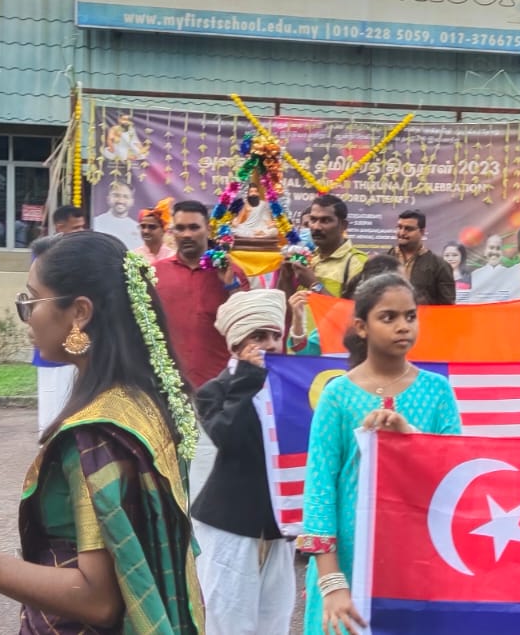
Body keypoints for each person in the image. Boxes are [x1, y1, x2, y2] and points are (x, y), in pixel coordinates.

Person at [0, 232, 203, 633]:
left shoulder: (98, 433)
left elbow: (97, 597)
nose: (27, 316)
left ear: (80, 312)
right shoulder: (142, 400)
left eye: (31, 301)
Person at [297, 274, 462, 635]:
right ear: (362, 327)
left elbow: (454, 476)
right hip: (348, 562)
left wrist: (411, 438)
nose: (403, 326)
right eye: (388, 317)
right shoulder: (338, 395)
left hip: (416, 559)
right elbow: (319, 488)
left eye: (410, 316)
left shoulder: (437, 392)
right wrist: (332, 581)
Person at [194, 289, 296, 634]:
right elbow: (229, 437)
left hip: (279, 525)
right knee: (228, 619)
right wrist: (249, 380)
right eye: (257, 336)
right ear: (236, 342)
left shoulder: (292, 387)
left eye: (273, 335)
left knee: (274, 619)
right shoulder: (215, 390)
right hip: (230, 525)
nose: (268, 344)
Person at [157, 200, 249, 501]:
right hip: (165, 392)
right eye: (180, 228)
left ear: (207, 229)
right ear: (171, 231)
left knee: (209, 482)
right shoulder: (154, 274)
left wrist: (230, 286)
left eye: (194, 227)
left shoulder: (231, 273)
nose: (186, 234)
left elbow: (247, 331)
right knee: (165, 477)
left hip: (216, 394)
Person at [36, 206, 90, 433]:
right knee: (51, 410)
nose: (81, 231)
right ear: (60, 227)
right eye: (76, 228)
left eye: (83, 227)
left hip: (78, 340)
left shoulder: (83, 255)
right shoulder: (44, 256)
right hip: (52, 343)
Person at [287, 254, 404, 356]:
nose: (407, 289)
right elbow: (307, 354)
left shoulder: (410, 318)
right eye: (401, 283)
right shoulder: (343, 313)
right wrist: (298, 320)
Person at [293, 194, 366, 298]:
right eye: (313, 220)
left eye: (325, 220)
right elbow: (286, 308)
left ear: (343, 226)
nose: (316, 227)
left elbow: (353, 313)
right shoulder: (309, 258)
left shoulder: (358, 263)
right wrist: (285, 275)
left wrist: (314, 284)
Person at [388, 209, 454, 305]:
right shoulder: (381, 262)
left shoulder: (439, 266)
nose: (401, 233)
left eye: (408, 229)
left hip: (424, 319)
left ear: (422, 232)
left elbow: (447, 309)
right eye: (399, 227)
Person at [94, 181, 140, 249]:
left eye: (126, 197)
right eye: (116, 195)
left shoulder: (137, 228)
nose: (120, 201)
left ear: (132, 201)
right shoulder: (95, 223)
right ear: (108, 198)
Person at [468, 234, 509, 302]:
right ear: (485, 251)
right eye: (491, 248)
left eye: (498, 248)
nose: (494, 252)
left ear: (502, 252)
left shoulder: (511, 274)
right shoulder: (475, 276)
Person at [135, 198, 177, 262]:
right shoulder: (134, 256)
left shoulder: (173, 257)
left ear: (164, 230)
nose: (146, 231)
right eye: (143, 226)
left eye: (152, 227)